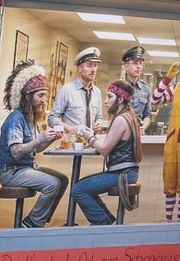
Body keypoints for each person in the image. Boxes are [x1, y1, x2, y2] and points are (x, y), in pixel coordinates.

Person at [0, 60, 69, 228]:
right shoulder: (16, 118)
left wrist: (51, 138)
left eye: (45, 95)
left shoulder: (32, 118)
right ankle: (31, 224)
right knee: (53, 184)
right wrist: (40, 138)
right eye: (41, 96)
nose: (44, 100)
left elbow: (37, 148)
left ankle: (40, 220)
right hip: (11, 172)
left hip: (26, 168)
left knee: (62, 180)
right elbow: (16, 152)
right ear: (28, 96)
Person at [73, 80, 142, 225]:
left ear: (121, 99)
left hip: (122, 174)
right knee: (83, 186)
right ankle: (106, 219)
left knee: (78, 189)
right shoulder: (129, 116)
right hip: (128, 172)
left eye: (110, 96)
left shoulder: (121, 120)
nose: (105, 101)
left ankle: (102, 222)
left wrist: (90, 137)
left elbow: (104, 150)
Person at [48, 47, 103, 135]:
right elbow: (52, 119)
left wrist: (98, 124)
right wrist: (68, 128)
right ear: (80, 69)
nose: (93, 70)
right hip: (71, 144)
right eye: (89, 65)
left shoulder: (97, 92)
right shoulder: (67, 90)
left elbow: (99, 118)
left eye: (95, 66)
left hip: (91, 144)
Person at [152, 62, 180, 222]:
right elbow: (155, 100)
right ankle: (168, 221)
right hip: (173, 143)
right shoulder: (176, 88)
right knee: (169, 182)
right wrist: (168, 78)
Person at [122, 45, 152, 135]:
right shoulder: (119, 86)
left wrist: (143, 127)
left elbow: (148, 114)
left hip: (139, 134)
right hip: (122, 133)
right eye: (135, 63)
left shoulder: (145, 88)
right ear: (126, 67)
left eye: (141, 63)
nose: (139, 66)